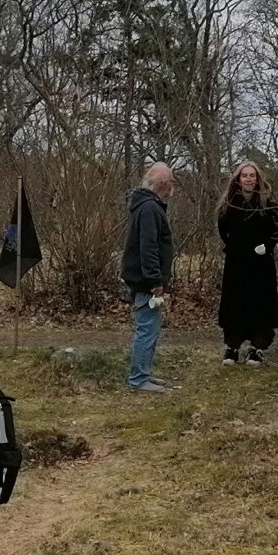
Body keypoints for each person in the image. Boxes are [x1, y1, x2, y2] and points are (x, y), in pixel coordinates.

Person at [214, 161, 278, 364]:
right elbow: (223, 229)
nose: (249, 179)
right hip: (236, 263)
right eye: (245, 175)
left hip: (261, 265)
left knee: (259, 304)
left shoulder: (268, 204)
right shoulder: (230, 203)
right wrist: (235, 246)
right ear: (238, 179)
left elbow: (277, 231)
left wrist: (266, 246)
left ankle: (257, 348)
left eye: (252, 175)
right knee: (235, 304)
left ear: (258, 179)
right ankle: (232, 347)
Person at [119, 162, 177, 392]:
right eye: (171, 181)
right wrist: (155, 280)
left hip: (144, 278)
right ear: (163, 184)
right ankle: (139, 379)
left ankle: (144, 374)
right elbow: (149, 247)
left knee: (150, 327)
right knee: (146, 329)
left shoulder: (146, 206)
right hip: (146, 281)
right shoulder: (150, 209)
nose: (173, 186)